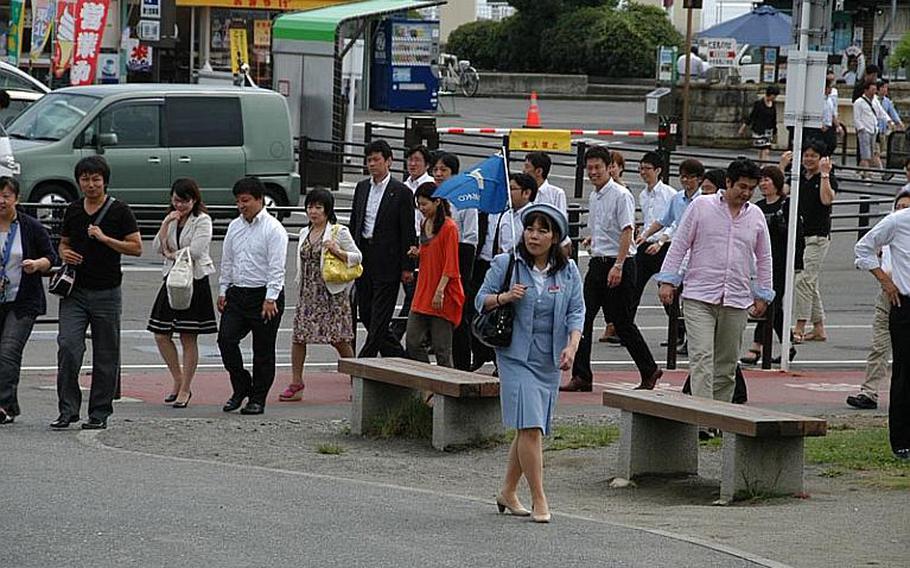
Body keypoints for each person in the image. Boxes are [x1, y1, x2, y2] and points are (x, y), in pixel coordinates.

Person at [477, 203, 584, 523]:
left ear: (555, 237)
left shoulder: (568, 271)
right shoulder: (506, 262)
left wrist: (572, 346)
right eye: (530, 228)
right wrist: (506, 297)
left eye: (543, 230)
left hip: (549, 359)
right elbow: (480, 300)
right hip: (514, 355)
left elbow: (577, 312)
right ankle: (540, 498)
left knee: (528, 427)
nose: (534, 235)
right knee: (532, 427)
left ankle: (508, 490)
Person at [657, 159, 773, 409]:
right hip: (699, 296)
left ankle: (720, 415)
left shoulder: (755, 215)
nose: (746, 193)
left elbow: (764, 256)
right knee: (701, 358)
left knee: (727, 364)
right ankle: (702, 418)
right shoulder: (701, 206)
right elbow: (679, 244)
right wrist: (668, 280)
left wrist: (763, 292)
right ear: (728, 183)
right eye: (741, 186)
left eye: (751, 188)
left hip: (736, 299)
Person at [52, 156, 142, 430]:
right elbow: (63, 243)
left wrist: (105, 239)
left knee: (106, 354)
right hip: (74, 292)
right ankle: (68, 409)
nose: (90, 185)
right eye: (85, 179)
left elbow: (136, 247)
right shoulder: (74, 210)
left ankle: (99, 412)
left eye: (95, 179)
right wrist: (64, 253)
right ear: (79, 181)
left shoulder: (120, 210)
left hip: (107, 292)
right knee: (68, 347)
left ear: (105, 181)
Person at [563, 145, 662, 392]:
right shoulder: (595, 196)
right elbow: (606, 229)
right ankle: (582, 375)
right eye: (590, 168)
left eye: (598, 167)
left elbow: (627, 230)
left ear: (610, 168)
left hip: (620, 264)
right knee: (582, 318)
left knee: (622, 322)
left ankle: (649, 369)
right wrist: (592, 240)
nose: (593, 172)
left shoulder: (621, 194)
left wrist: (618, 265)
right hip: (598, 263)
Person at [218, 177, 288, 416]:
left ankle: (258, 398)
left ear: (259, 200)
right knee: (226, 340)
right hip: (238, 293)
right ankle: (241, 387)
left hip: (264, 294)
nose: (241, 205)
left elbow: (277, 267)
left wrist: (271, 298)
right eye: (238, 201)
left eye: (246, 200)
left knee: (263, 350)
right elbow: (227, 261)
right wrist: (223, 290)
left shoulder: (273, 229)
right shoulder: (234, 227)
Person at [280, 189, 359, 402]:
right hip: (308, 293)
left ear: (327, 210)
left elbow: (357, 257)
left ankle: (358, 383)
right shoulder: (305, 232)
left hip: (331, 293)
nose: (313, 212)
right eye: (310, 207)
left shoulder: (338, 231)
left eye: (318, 207)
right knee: (299, 337)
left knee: (339, 339)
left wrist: (337, 251)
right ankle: (296, 382)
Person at [147, 179, 217, 408]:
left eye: (184, 201)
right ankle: (177, 378)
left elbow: (196, 251)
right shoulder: (172, 218)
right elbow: (157, 246)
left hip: (193, 279)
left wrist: (171, 254)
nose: (180, 205)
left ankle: (185, 388)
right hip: (172, 278)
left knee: (188, 336)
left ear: (194, 199)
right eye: (176, 200)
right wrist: (167, 222)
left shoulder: (203, 220)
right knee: (160, 333)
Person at [854, 197, 910, 461]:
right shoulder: (899, 221)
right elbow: (863, 248)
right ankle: (901, 439)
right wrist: (886, 281)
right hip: (904, 302)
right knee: (904, 371)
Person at [349, 140, 415, 358]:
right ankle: (399, 357)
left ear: (389, 161)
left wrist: (408, 266)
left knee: (381, 313)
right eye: (369, 160)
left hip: (388, 258)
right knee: (365, 310)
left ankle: (363, 361)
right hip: (363, 255)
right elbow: (355, 222)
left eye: (377, 160)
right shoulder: (362, 187)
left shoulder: (401, 192)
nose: (372, 164)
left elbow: (408, 231)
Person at [0, 176, 56, 425]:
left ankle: (3, 405)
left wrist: (37, 264)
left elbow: (51, 258)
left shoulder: (30, 226)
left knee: (8, 351)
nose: (1, 201)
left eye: (6, 196)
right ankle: (9, 404)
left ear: (17, 199)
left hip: (22, 301)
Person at [637, 158, 706, 353]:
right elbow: (664, 220)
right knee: (669, 292)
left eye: (690, 177)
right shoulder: (677, 198)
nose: (685, 181)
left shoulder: (703, 200)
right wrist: (644, 235)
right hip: (678, 252)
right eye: (682, 177)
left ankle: (688, 338)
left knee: (691, 298)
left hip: (696, 254)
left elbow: (677, 227)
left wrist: (660, 241)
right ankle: (678, 333)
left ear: (699, 179)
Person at [740, 166, 804, 365]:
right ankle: (788, 341)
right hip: (759, 263)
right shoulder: (756, 207)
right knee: (772, 305)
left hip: (781, 260)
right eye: (762, 180)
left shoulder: (787, 205)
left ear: (776, 182)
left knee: (770, 302)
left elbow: (797, 235)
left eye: (768, 179)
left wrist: (797, 262)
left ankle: (757, 346)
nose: (763, 184)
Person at [780, 142, 837, 343]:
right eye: (806, 155)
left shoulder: (827, 177)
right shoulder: (797, 176)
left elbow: (826, 199)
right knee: (809, 283)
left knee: (803, 281)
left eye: (813, 155)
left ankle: (800, 326)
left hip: (818, 236)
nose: (808, 159)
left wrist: (824, 174)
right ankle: (819, 328)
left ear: (822, 157)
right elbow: (781, 193)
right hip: (800, 235)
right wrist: (781, 167)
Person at [405, 182, 464, 366]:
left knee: (442, 349)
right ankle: (428, 383)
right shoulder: (424, 223)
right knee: (413, 341)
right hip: (424, 288)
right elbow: (430, 253)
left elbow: (451, 264)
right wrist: (418, 253)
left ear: (437, 202)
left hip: (443, 290)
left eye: (424, 204)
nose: (421, 209)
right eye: (419, 205)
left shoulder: (449, 227)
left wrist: (440, 291)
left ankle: (447, 390)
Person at [432, 151, 478, 371]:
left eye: (444, 170)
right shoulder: (433, 198)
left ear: (455, 173)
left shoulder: (465, 199)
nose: (439, 174)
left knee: (460, 315)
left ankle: (462, 366)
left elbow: (471, 237)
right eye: (436, 170)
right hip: (436, 259)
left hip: (460, 256)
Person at [392, 145, 436, 342]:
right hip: (402, 244)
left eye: (417, 160)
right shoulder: (405, 185)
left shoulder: (430, 186)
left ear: (427, 164)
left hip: (422, 245)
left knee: (413, 293)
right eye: (410, 159)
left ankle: (397, 333)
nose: (412, 163)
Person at [631, 151, 676, 317]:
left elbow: (675, 222)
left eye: (647, 168)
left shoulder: (670, 194)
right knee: (633, 286)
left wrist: (661, 242)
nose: (643, 172)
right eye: (641, 168)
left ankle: (677, 329)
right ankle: (625, 327)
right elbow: (648, 220)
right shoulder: (643, 195)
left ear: (658, 170)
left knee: (665, 289)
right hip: (645, 244)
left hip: (664, 246)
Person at [853, 80, 891, 180]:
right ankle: (867, 175)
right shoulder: (859, 102)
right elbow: (856, 118)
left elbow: (881, 112)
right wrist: (861, 129)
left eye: (875, 89)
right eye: (872, 89)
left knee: (872, 153)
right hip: (864, 130)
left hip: (874, 129)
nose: (874, 91)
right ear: (866, 90)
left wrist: (888, 120)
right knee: (866, 155)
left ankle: (860, 171)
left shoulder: (875, 101)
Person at [740, 85, 780, 162]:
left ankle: (763, 165)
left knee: (766, 150)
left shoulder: (773, 105)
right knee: (761, 150)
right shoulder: (759, 104)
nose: (774, 97)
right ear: (769, 94)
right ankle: (762, 165)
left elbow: (774, 119)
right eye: (773, 95)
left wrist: (775, 131)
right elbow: (752, 116)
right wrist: (743, 127)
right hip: (759, 130)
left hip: (768, 131)